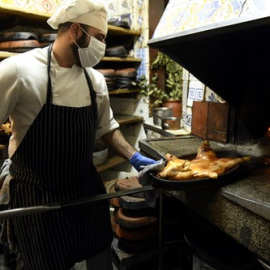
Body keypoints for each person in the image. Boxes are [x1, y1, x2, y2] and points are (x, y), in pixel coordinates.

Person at [0, 0, 156, 269]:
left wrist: (136, 158)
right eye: (99, 38)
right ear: (75, 30)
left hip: (85, 188)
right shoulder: (18, 70)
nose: (102, 46)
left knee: (99, 254)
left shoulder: (95, 80)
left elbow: (106, 129)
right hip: (38, 194)